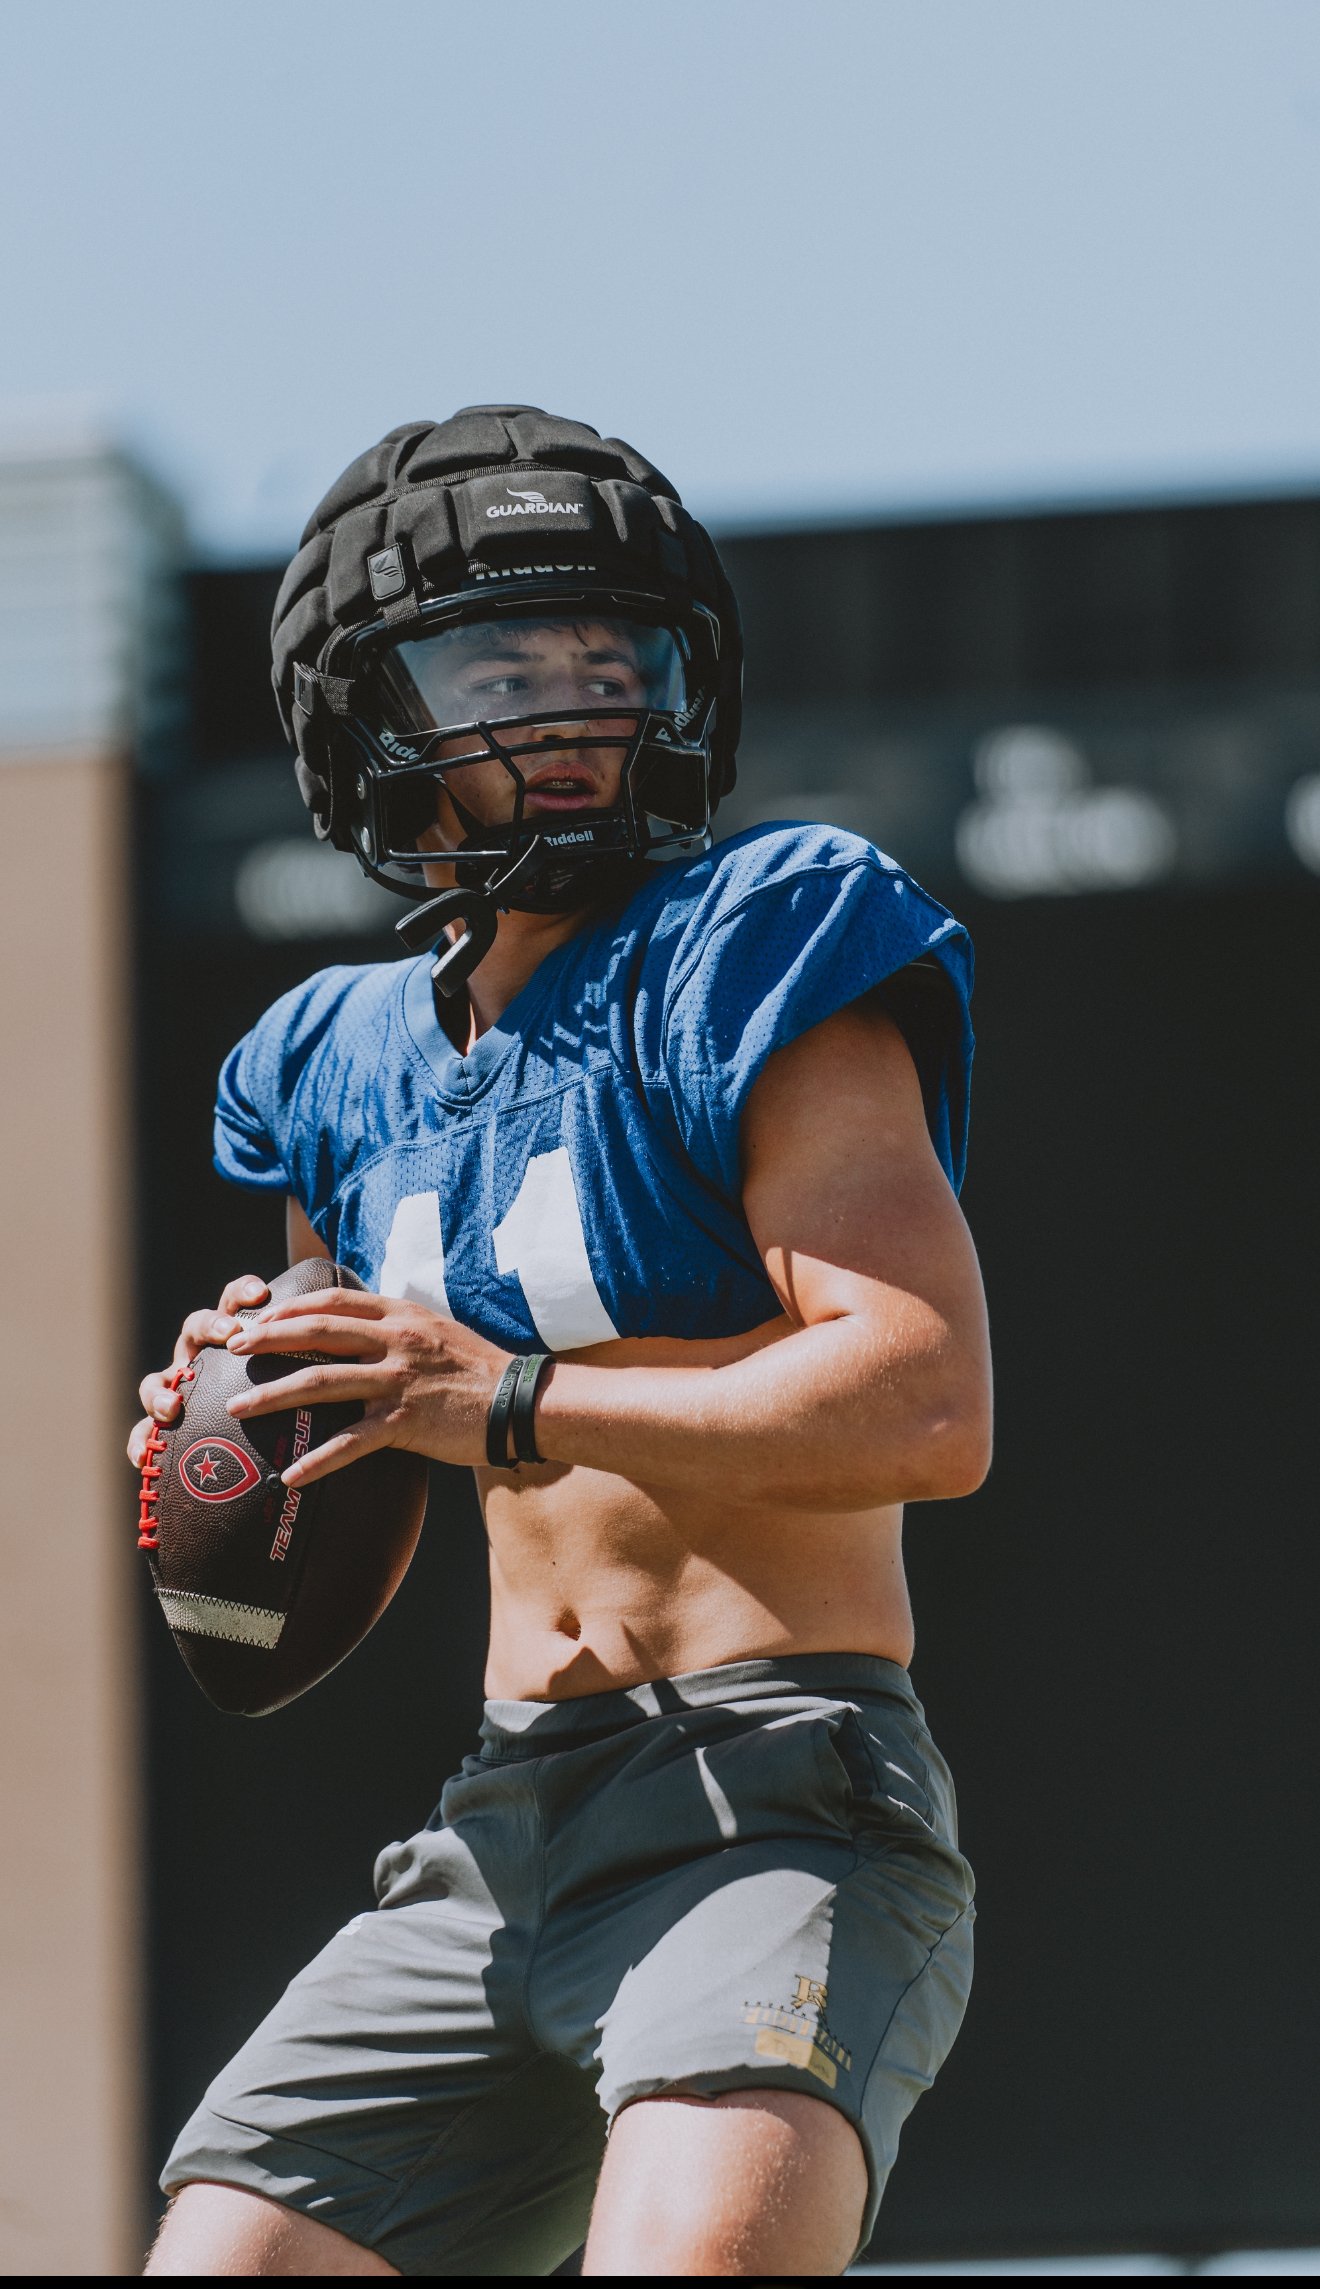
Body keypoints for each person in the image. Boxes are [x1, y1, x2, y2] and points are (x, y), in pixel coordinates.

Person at [130, 405, 992, 2278]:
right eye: (500, 666)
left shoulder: (761, 939)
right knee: (222, 2258)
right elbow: (367, 1491)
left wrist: (495, 1390)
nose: (579, 707)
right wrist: (271, 1426)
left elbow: (925, 1398)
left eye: (616, 659)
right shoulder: (331, 1062)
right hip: (503, 1816)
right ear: (370, 721)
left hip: (775, 1794)